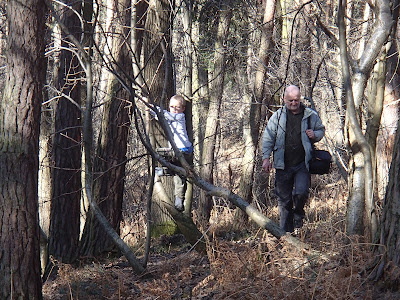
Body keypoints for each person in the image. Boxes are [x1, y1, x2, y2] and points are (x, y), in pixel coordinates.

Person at [262, 85, 325, 233]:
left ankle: (298, 214)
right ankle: (286, 235)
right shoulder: (277, 117)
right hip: (282, 165)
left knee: (301, 193)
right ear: (284, 99)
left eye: (296, 100)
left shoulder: (310, 115)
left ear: (300, 99)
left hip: (303, 164)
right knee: (284, 202)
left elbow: (321, 130)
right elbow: (268, 138)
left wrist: (314, 135)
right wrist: (266, 158)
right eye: (290, 100)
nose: (293, 103)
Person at [150, 95, 193, 212]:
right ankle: (165, 172)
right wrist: (149, 109)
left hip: (182, 150)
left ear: (182, 108)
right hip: (179, 150)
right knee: (178, 173)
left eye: (177, 107)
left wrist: (150, 106)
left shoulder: (179, 116)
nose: (174, 109)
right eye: (171, 107)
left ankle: (163, 172)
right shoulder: (172, 117)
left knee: (163, 155)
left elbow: (164, 115)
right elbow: (160, 116)